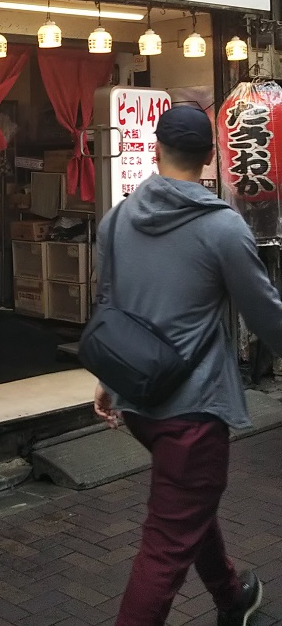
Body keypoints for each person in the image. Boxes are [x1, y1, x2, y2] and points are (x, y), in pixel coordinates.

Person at [93, 105, 282, 626]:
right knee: (165, 545)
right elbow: (267, 318)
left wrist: (108, 381)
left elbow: (107, 307)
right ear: (212, 157)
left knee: (188, 504)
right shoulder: (222, 227)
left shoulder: (116, 220)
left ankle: (230, 596)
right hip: (193, 410)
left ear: (156, 150)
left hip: (140, 404)